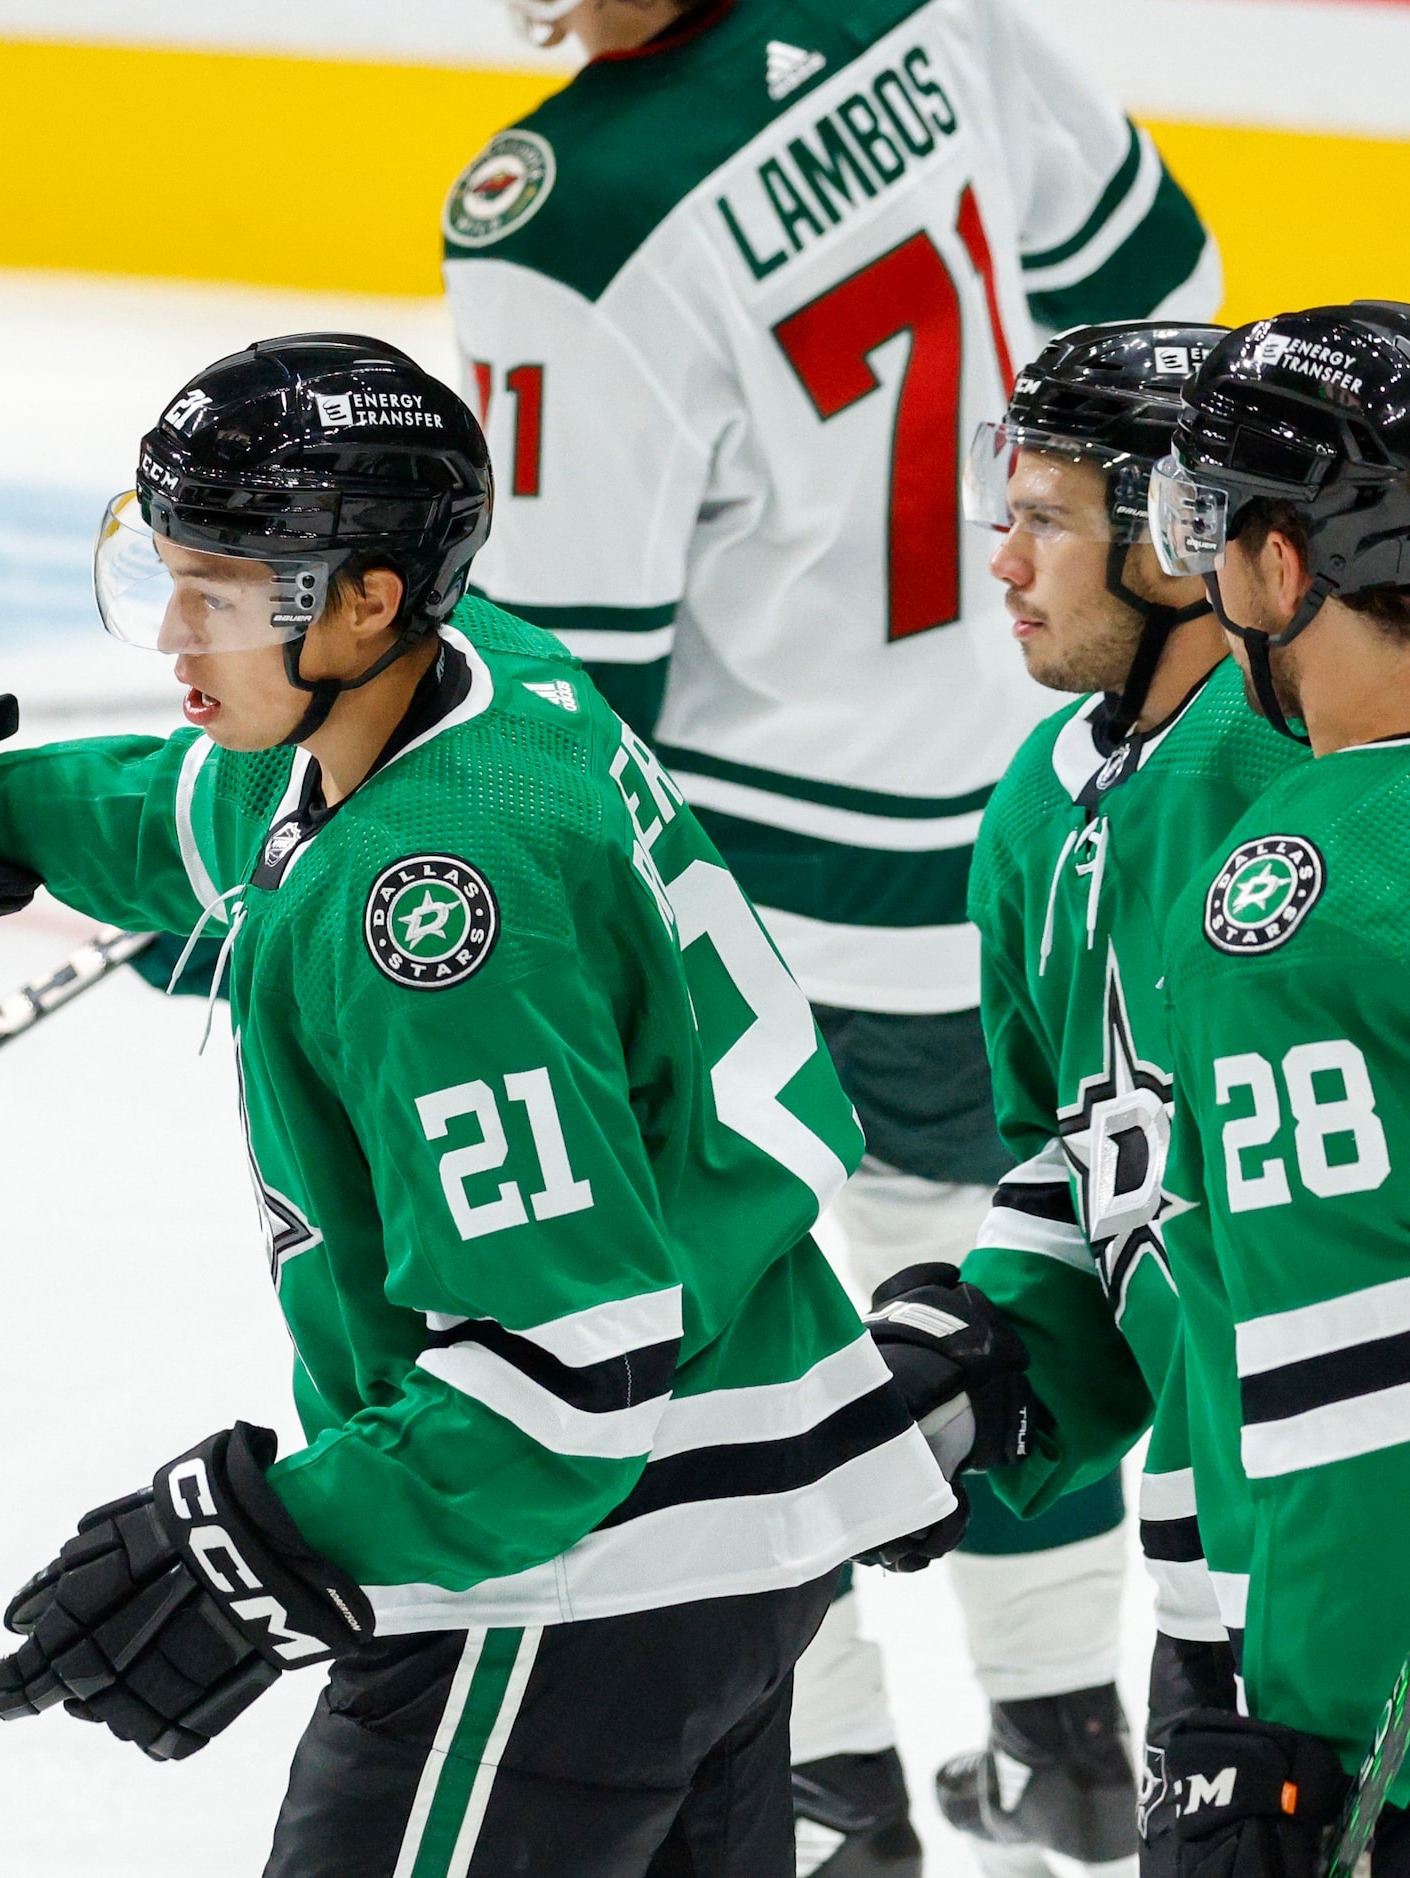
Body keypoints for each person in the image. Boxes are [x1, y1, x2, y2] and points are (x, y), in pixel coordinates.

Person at [0, 334, 954, 1876]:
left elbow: (566, 1376)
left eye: (223, 593)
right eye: (166, 574)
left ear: (368, 596)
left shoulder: (430, 906)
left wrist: (282, 1535)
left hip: (576, 1562)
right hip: (736, 1508)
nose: (175, 634)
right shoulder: (478, 677)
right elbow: (226, 807)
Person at [451, 1, 1223, 1866]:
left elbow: (567, 688)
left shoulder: (562, 218)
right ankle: (1064, 1739)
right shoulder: (930, 12)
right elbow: (1166, 300)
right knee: (1001, 1284)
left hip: (766, 903)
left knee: (731, 1349)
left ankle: (827, 1777)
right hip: (1039, 824)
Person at [867, 320, 1309, 1874]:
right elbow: (1101, 1168)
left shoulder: (1309, 785)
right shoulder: (1037, 802)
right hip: (1205, 1593)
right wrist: (984, 1361)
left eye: (1046, 518)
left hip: (1348, 1581)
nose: (1001, 561)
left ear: (1189, 536)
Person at [1135, 303, 1410, 1878]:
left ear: (1288, 566)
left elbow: (1354, 1364)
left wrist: (1312, 1743)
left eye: (1218, 533)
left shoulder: (1297, 898)